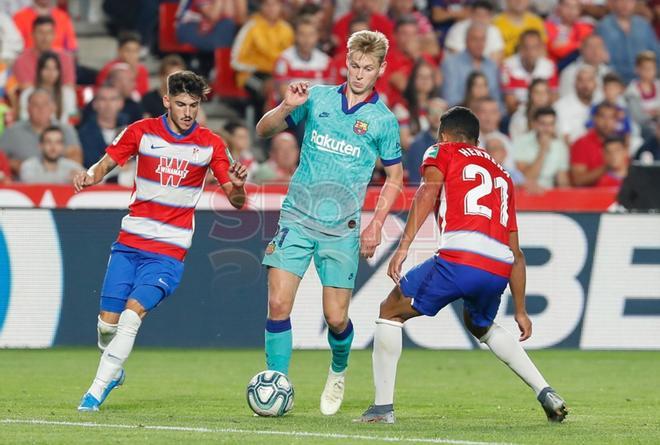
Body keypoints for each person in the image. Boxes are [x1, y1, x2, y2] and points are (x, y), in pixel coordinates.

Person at [356, 106, 568, 424]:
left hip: (460, 259)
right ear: (476, 138)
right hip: (499, 267)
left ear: (444, 135)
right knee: (479, 323)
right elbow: (517, 253)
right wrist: (521, 309)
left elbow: (427, 193)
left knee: (390, 311)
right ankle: (545, 391)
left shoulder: (442, 151)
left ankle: (382, 409)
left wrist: (402, 249)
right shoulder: (503, 175)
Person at [74, 71, 249, 412]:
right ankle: (113, 369)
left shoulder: (211, 144)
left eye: (194, 106)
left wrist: (239, 186)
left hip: (169, 252)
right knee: (106, 326)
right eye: (181, 104)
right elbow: (107, 162)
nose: (187, 112)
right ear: (166, 100)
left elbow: (236, 200)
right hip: (129, 243)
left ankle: (93, 393)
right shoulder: (141, 132)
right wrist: (89, 176)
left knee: (130, 316)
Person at [255, 30, 404, 416]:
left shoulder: (383, 121)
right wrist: (287, 107)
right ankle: (277, 384)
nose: (359, 74)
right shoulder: (317, 97)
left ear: (380, 70)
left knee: (336, 318)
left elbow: (395, 177)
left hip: (342, 229)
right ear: (346, 62)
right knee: (277, 303)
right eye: (354, 65)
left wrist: (375, 225)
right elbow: (264, 130)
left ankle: (338, 370)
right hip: (297, 218)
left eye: (368, 68)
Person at [0, 88, 81, 175]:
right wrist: (11, 164)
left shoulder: (67, 130)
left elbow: (76, 162)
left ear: (52, 108)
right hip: (22, 184)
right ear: (28, 109)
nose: (41, 109)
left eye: (45, 104)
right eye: (35, 105)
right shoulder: (12, 132)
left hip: (60, 184)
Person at [595, 0, 660, 85]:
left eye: (629, 1)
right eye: (621, 1)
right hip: (614, 83)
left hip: (645, 82)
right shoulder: (603, 27)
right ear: (614, 3)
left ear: (635, 3)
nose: (625, 4)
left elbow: (657, 55)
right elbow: (599, 60)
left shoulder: (644, 25)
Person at [441, 23, 502, 108]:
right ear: (466, 40)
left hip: (488, 116)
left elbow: (497, 99)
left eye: (482, 40)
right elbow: (450, 99)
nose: (479, 44)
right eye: (475, 39)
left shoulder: (492, 66)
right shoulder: (451, 64)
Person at [513, 106, 570, 191]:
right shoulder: (521, 142)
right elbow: (526, 178)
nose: (547, 129)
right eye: (543, 124)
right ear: (535, 124)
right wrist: (543, 151)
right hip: (526, 192)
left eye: (551, 124)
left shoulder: (560, 146)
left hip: (550, 194)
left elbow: (562, 180)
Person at [501, 29, 557, 115]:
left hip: (543, 114)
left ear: (541, 48)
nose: (531, 52)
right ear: (520, 48)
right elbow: (510, 106)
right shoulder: (507, 66)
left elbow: (553, 99)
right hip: (517, 115)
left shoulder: (549, 66)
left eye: (535, 47)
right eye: (526, 47)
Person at [12, 15, 75, 88]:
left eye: (49, 33)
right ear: (33, 34)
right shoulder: (21, 60)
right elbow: (27, 91)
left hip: (60, 98)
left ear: (54, 35)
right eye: (40, 32)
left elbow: (69, 88)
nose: (45, 37)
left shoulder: (65, 58)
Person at [18, 51, 77, 123]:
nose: (51, 72)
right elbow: (24, 119)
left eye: (55, 68)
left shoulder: (67, 93)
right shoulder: (28, 93)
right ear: (39, 71)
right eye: (47, 68)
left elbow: (71, 120)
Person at [77, 84, 127, 168]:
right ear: (95, 104)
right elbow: (91, 164)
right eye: (103, 99)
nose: (108, 105)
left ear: (121, 103)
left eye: (113, 99)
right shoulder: (84, 133)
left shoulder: (130, 129)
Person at [570, 101, 618, 186]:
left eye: (611, 118)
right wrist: (607, 166)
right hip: (591, 196)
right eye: (603, 117)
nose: (606, 123)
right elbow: (578, 180)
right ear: (595, 119)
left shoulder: (621, 142)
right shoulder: (581, 144)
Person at [405, 97, 447, 185]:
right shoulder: (417, 145)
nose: (437, 116)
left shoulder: (455, 142)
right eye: (433, 112)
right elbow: (415, 182)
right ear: (427, 116)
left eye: (440, 112)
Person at [96, 31, 150, 99]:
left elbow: (144, 95)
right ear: (119, 51)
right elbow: (101, 94)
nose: (132, 55)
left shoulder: (142, 70)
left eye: (135, 51)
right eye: (128, 50)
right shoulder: (108, 70)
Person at [558, 34, 610, 100]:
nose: (595, 51)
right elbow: (566, 100)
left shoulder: (608, 72)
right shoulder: (569, 73)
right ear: (581, 49)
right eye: (591, 47)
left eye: (599, 46)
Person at [12, 0, 77, 52]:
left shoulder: (63, 17)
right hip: (29, 63)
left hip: (58, 64)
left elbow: (71, 49)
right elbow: (14, 49)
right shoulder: (19, 17)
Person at [554, 65, 597, 144]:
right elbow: (564, 137)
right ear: (575, 83)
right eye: (581, 80)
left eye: (589, 80)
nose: (585, 85)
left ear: (595, 84)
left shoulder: (601, 103)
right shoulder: (561, 106)